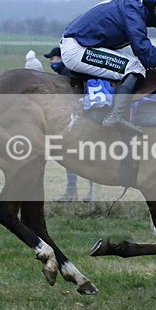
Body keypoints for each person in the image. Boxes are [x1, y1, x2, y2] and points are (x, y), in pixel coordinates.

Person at [59, 0, 156, 136]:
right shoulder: (134, 16)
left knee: (133, 65)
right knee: (135, 67)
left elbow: (147, 54)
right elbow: (149, 58)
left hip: (84, 45)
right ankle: (115, 116)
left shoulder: (133, 11)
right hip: (77, 49)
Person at [44, 46, 94, 202]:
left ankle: (85, 192)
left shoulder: (68, 74)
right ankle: (75, 192)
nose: (53, 62)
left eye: (55, 58)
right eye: (51, 59)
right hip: (74, 121)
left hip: (79, 122)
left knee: (83, 158)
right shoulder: (64, 74)